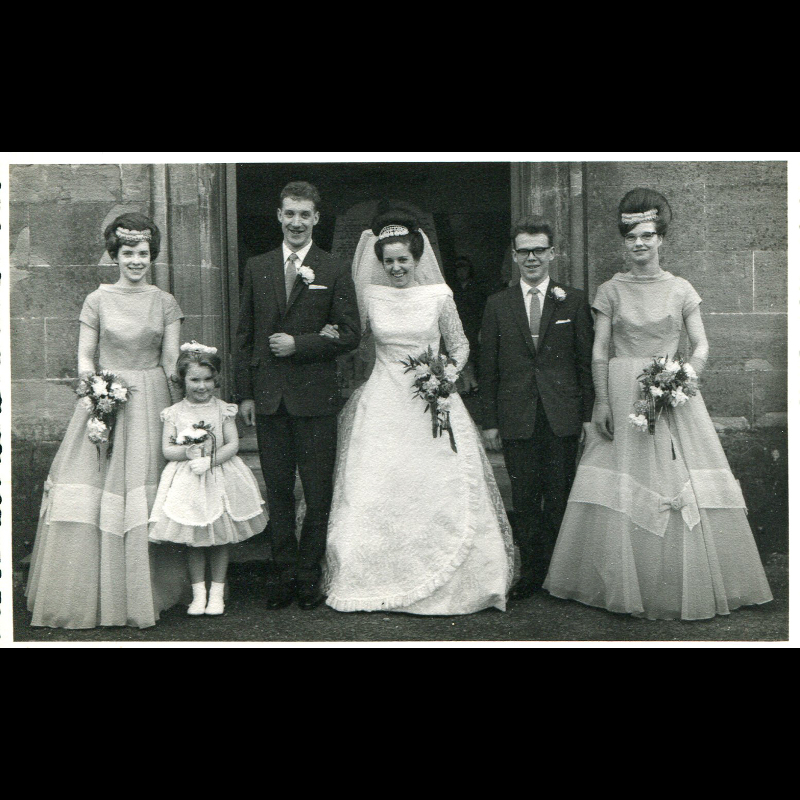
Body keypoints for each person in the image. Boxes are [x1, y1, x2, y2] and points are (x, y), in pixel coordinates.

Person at [543, 189, 773, 620]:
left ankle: (674, 580)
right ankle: (623, 581)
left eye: (647, 235)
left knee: (673, 472)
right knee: (623, 473)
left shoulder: (681, 288)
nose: (639, 244)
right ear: (623, 242)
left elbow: (701, 344)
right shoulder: (610, 290)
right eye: (631, 237)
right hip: (622, 391)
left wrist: (682, 377)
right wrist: (602, 402)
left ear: (661, 239)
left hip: (670, 393)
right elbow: (599, 350)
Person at [322, 210, 514, 615]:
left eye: (403, 260)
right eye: (389, 261)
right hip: (383, 400)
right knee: (378, 486)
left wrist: (446, 376)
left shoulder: (439, 295)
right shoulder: (370, 296)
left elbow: (460, 345)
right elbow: (353, 336)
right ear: (380, 261)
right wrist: (329, 332)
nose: (396, 268)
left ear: (416, 258)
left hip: (431, 400)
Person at [25, 213, 190, 628]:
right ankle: (93, 591)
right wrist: (96, 392)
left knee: (143, 485)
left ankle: (147, 591)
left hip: (151, 399)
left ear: (152, 256)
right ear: (114, 256)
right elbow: (85, 355)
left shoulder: (165, 302)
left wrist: (184, 409)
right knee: (96, 482)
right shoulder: (97, 300)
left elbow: (171, 359)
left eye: (144, 254)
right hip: (107, 397)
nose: (136, 261)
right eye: (128, 253)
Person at [235, 181, 360, 610]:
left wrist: (300, 344)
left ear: (316, 218)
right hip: (270, 398)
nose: (296, 222)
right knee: (279, 490)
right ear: (279, 216)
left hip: (315, 399)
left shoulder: (333, 268)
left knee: (318, 491)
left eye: (305, 214)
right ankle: (283, 574)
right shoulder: (258, 266)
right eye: (290, 213)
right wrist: (245, 394)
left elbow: (351, 333)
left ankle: (308, 575)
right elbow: (245, 334)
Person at [480, 216, 595, 600]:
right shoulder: (498, 304)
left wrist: (587, 417)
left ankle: (560, 575)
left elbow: (584, 364)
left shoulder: (573, 299)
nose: (532, 258)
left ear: (552, 253)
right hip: (517, 416)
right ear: (514, 256)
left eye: (539, 250)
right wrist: (490, 422)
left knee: (560, 495)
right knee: (525, 497)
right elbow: (488, 366)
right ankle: (530, 573)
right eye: (524, 251)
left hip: (561, 416)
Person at [148, 344, 267, 615]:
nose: (202, 386)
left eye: (207, 379)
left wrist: (210, 460)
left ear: (216, 380)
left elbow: (232, 444)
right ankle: (198, 594)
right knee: (194, 537)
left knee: (220, 536)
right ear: (183, 380)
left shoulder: (223, 410)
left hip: (219, 477)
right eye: (194, 380)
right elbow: (167, 449)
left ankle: (217, 594)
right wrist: (188, 452)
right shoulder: (174, 413)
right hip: (188, 479)